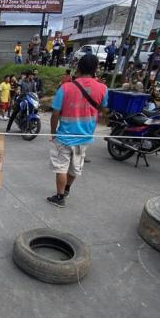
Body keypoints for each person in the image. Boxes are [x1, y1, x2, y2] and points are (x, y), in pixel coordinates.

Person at [47, 54, 107, 207]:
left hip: (64, 137)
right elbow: (103, 109)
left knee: (61, 167)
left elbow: (55, 113)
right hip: (85, 137)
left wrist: (53, 133)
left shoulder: (66, 87)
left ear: (78, 67)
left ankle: (60, 198)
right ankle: (66, 189)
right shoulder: (103, 88)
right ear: (95, 69)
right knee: (75, 166)